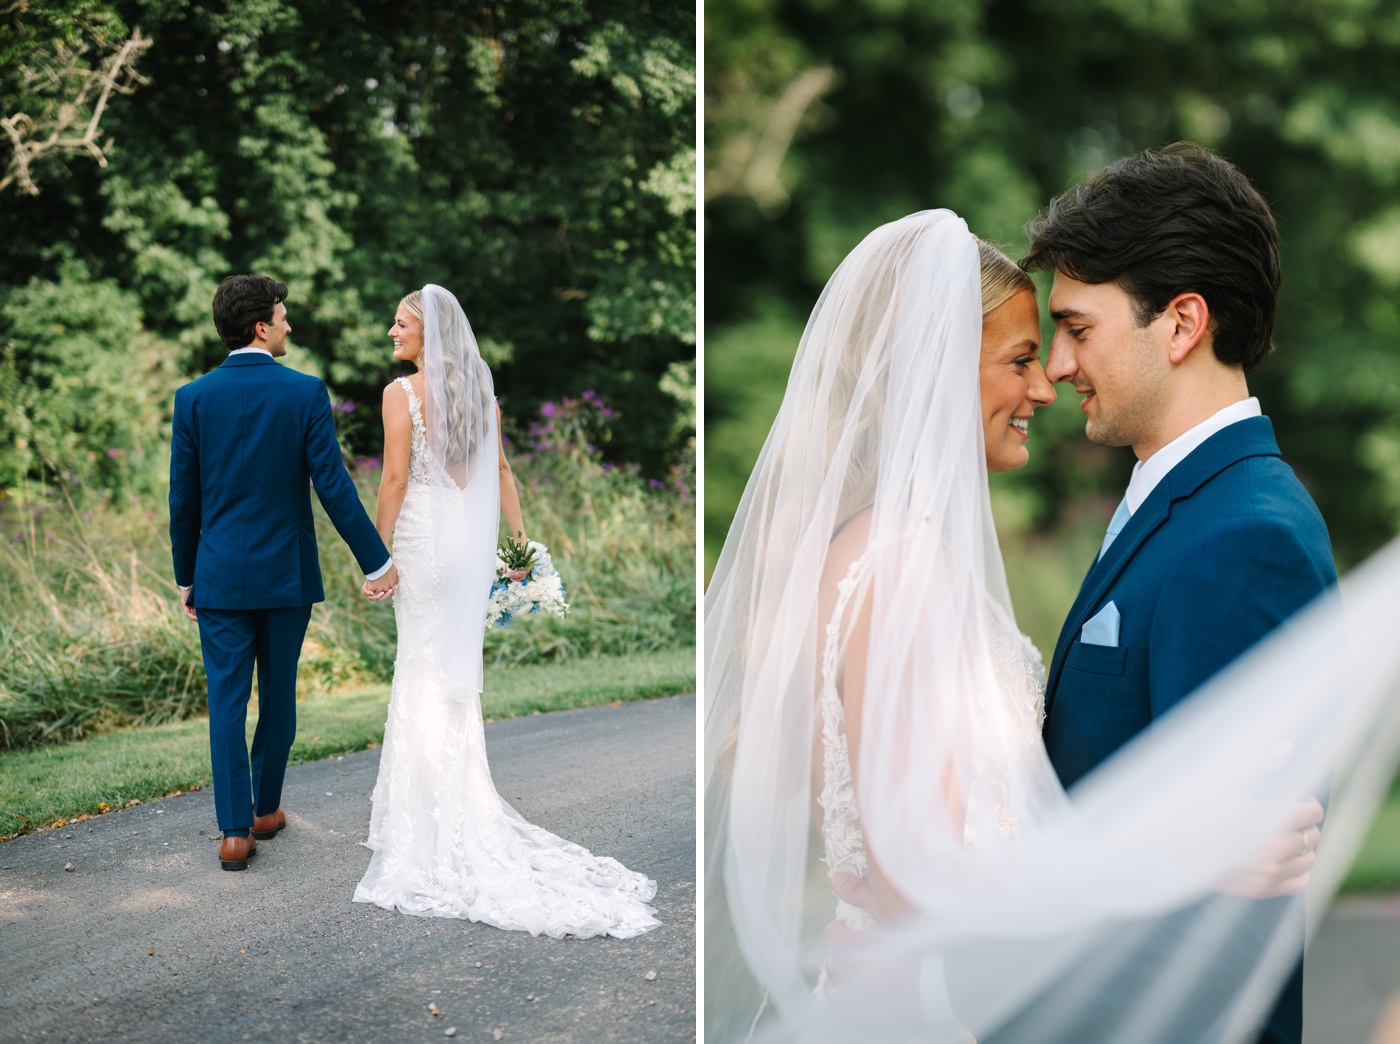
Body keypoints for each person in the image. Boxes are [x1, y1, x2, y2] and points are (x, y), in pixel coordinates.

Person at [703, 201, 1397, 1043]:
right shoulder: (900, 564)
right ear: (935, 368)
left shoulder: (1243, 533)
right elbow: (920, 880)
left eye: (1067, 334)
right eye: (1026, 354)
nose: (1051, 377)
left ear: (1182, 325)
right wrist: (1173, 858)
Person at [351, 284, 660, 939]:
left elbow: (395, 480)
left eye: (400, 324)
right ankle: (453, 807)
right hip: (465, 543)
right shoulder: (477, 395)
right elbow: (503, 477)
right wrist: (518, 546)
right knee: (449, 671)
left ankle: (425, 823)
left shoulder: (399, 394)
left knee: (421, 665)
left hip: (421, 538)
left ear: (429, 335)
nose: (390, 332)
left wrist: (374, 555)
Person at [170, 275, 398, 872]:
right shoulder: (304, 393)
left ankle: (233, 832)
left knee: (225, 699)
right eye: (284, 315)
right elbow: (334, 488)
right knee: (278, 692)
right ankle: (265, 809)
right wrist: (378, 558)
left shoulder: (192, 397)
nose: (290, 325)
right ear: (261, 327)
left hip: (217, 576)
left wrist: (185, 577)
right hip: (286, 576)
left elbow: (183, 500)